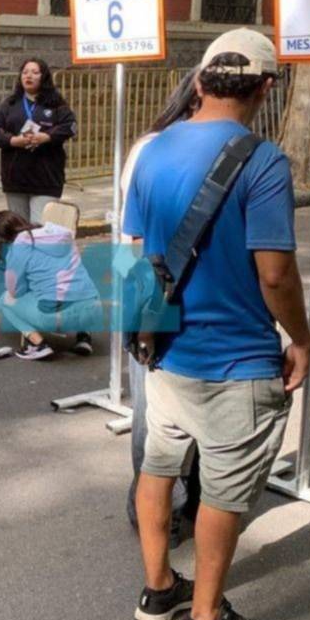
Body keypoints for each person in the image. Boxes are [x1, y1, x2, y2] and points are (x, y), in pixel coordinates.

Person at [123, 29, 310, 620]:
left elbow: (141, 253)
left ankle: (158, 590)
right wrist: (302, 338)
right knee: (224, 494)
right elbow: (276, 275)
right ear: (266, 88)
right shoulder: (264, 162)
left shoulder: (151, 151)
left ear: (199, 82)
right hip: (237, 361)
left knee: (158, 467)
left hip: (165, 352)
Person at [121, 70, 202, 539]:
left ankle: (185, 498)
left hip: (186, 290)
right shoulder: (153, 150)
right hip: (154, 286)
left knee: (188, 406)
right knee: (154, 409)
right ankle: (152, 505)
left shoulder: (211, 147)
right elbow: (139, 236)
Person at [0, 211, 99, 360]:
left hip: (58, 317)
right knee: (75, 287)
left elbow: (15, 291)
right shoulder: (61, 234)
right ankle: (84, 337)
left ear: (1, 239)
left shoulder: (19, 246)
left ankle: (39, 345)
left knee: (5, 300)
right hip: (93, 309)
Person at [0, 58, 77, 223]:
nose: (28, 76)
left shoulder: (56, 104)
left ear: (44, 77)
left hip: (46, 178)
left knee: (39, 229)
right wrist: (14, 140)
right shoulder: (10, 104)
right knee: (19, 230)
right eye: (25, 72)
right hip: (16, 179)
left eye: (35, 72)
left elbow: (70, 126)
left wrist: (46, 137)